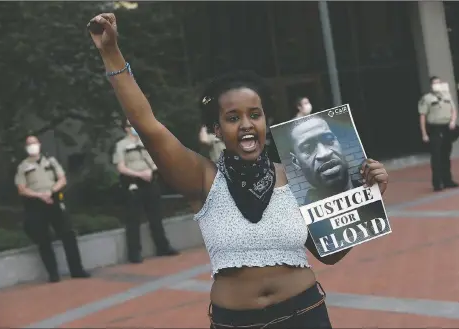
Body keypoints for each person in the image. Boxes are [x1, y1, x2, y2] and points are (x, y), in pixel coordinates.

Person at [87, 13, 389, 328]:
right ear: (217, 129)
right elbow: (148, 126)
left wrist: (366, 198)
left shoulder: (299, 173)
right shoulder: (202, 179)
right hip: (235, 323)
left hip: (305, 315)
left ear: (265, 122)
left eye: (254, 115)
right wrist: (111, 53)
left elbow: (329, 255)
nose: (246, 124)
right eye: (233, 118)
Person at [14, 136, 90, 283]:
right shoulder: (23, 167)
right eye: (29, 144)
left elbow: (62, 179)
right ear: (25, 147)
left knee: (68, 234)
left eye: (34, 143)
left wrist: (51, 191)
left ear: (40, 144)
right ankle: (53, 274)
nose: (32, 146)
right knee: (44, 240)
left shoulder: (51, 161)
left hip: (54, 200)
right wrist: (40, 195)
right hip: (36, 204)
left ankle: (77, 270)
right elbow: (22, 189)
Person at [113, 120, 179, 263]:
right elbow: (121, 167)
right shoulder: (121, 145)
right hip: (133, 183)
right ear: (126, 129)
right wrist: (139, 174)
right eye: (132, 125)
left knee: (156, 216)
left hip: (150, 181)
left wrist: (151, 170)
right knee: (133, 219)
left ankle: (162, 247)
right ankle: (134, 253)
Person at [290, 116, 362, 204]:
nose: (324, 154)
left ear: (339, 143)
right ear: (296, 162)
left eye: (328, 139)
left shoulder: (373, 187)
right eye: (308, 148)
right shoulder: (300, 216)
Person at [418, 76, 459, 192]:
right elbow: (422, 117)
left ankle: (448, 180)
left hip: (447, 128)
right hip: (435, 128)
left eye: (439, 83)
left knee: (446, 155)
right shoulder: (426, 98)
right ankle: (437, 183)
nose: (437, 85)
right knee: (436, 156)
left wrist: (453, 121)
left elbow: (453, 110)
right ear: (431, 86)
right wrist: (424, 134)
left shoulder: (447, 96)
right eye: (435, 83)